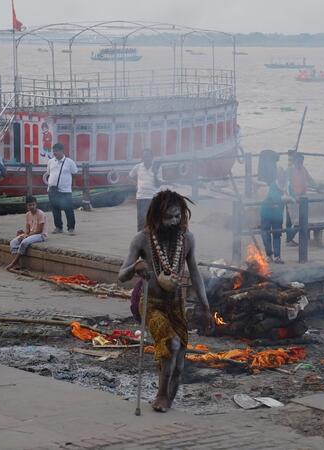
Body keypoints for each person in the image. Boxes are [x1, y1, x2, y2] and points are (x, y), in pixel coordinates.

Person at [118, 190, 211, 413]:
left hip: (177, 305)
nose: (173, 222)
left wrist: (206, 306)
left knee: (179, 359)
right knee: (172, 344)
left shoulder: (187, 238)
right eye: (168, 217)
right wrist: (136, 268)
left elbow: (195, 273)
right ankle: (161, 394)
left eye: (177, 216)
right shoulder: (141, 239)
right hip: (152, 304)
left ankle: (170, 397)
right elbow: (121, 276)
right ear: (156, 217)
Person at [5, 196, 48, 271]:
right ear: (27, 206)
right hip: (30, 234)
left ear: (36, 204)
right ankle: (18, 264)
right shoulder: (28, 214)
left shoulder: (41, 214)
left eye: (33, 205)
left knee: (24, 242)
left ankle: (14, 262)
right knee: (13, 242)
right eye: (30, 205)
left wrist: (27, 236)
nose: (32, 207)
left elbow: (39, 230)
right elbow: (27, 228)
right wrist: (24, 234)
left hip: (40, 235)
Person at [45, 143, 79, 235]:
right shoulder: (51, 161)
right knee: (55, 209)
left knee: (68, 209)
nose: (54, 153)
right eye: (54, 151)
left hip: (65, 191)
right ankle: (58, 227)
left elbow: (75, 174)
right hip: (52, 190)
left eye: (56, 151)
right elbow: (49, 173)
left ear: (62, 151)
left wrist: (69, 184)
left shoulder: (69, 162)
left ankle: (71, 228)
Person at [285, 153, 316, 246]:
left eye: (301, 161)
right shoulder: (289, 171)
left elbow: (310, 180)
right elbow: (286, 184)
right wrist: (291, 196)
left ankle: (305, 237)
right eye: (298, 161)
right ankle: (289, 239)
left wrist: (317, 187)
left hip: (302, 199)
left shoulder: (304, 170)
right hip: (291, 199)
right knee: (290, 220)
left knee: (302, 218)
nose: (300, 163)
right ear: (295, 161)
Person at [129, 149, 163, 232]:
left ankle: (154, 237)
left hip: (153, 197)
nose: (146, 158)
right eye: (144, 156)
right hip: (141, 197)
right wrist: (135, 185)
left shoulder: (157, 167)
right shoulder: (138, 167)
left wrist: (155, 174)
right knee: (141, 219)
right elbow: (130, 176)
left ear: (152, 157)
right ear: (142, 158)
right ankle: (140, 238)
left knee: (153, 219)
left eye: (148, 156)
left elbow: (158, 184)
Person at [260, 172, 287, 264]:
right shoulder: (273, 186)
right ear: (277, 178)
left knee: (277, 234)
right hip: (266, 213)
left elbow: (293, 197)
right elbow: (275, 197)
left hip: (277, 215)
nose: (282, 180)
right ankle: (269, 255)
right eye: (280, 177)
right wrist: (287, 198)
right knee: (266, 233)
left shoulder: (288, 186)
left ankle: (277, 256)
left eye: (284, 178)